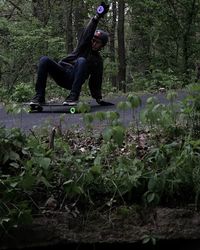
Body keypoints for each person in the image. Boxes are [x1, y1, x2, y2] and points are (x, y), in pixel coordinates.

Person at [30, 2, 113, 106]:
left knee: (82, 60)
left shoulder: (97, 61)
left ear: (102, 46)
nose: (94, 43)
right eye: (93, 40)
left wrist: (98, 99)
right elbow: (87, 34)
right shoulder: (83, 45)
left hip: (74, 79)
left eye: (98, 42)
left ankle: (73, 97)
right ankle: (39, 97)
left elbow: (96, 80)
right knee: (44, 60)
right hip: (62, 72)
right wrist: (96, 17)